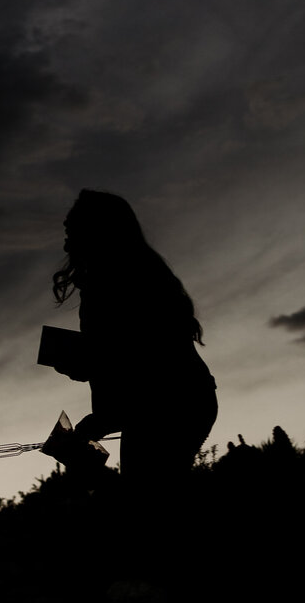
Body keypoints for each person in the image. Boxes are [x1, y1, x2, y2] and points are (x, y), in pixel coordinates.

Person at [49, 189, 217, 496]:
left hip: (167, 403)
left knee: (145, 499)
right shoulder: (125, 274)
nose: (66, 238)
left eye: (72, 230)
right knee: (148, 496)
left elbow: (137, 358)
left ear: (95, 232)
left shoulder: (116, 280)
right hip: (172, 400)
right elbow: (120, 355)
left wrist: (85, 367)